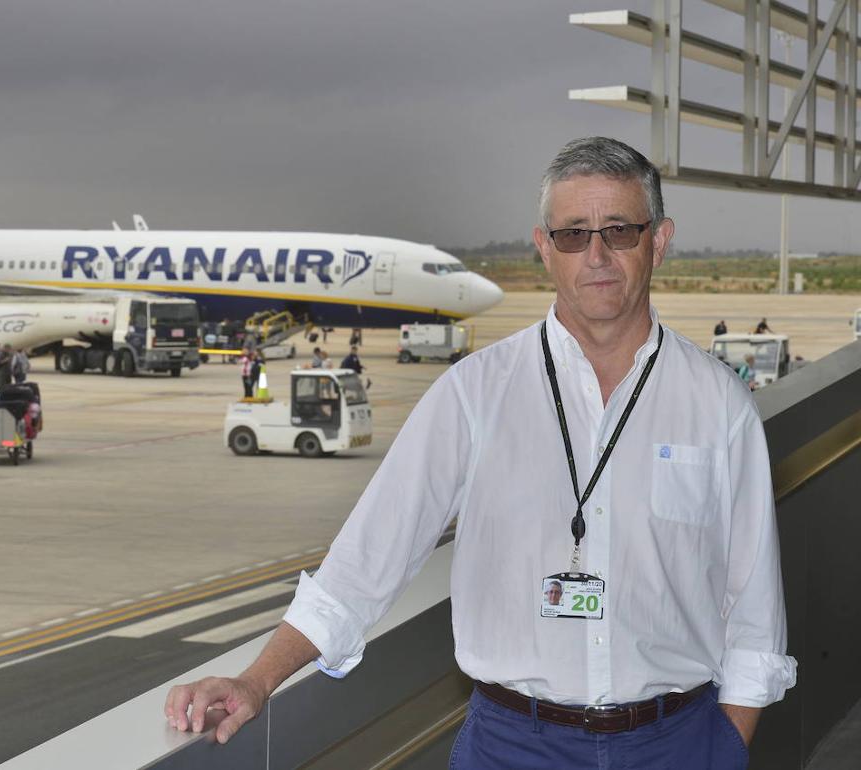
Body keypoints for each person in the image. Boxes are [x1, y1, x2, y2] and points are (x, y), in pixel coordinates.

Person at [165, 137, 794, 766]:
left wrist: (723, 747)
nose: (596, 254)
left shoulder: (719, 406)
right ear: (544, 247)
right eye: (573, 234)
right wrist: (255, 679)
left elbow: (755, 607)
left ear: (658, 241)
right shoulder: (472, 394)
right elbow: (365, 562)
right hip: (513, 745)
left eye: (619, 231)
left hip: (674, 742)